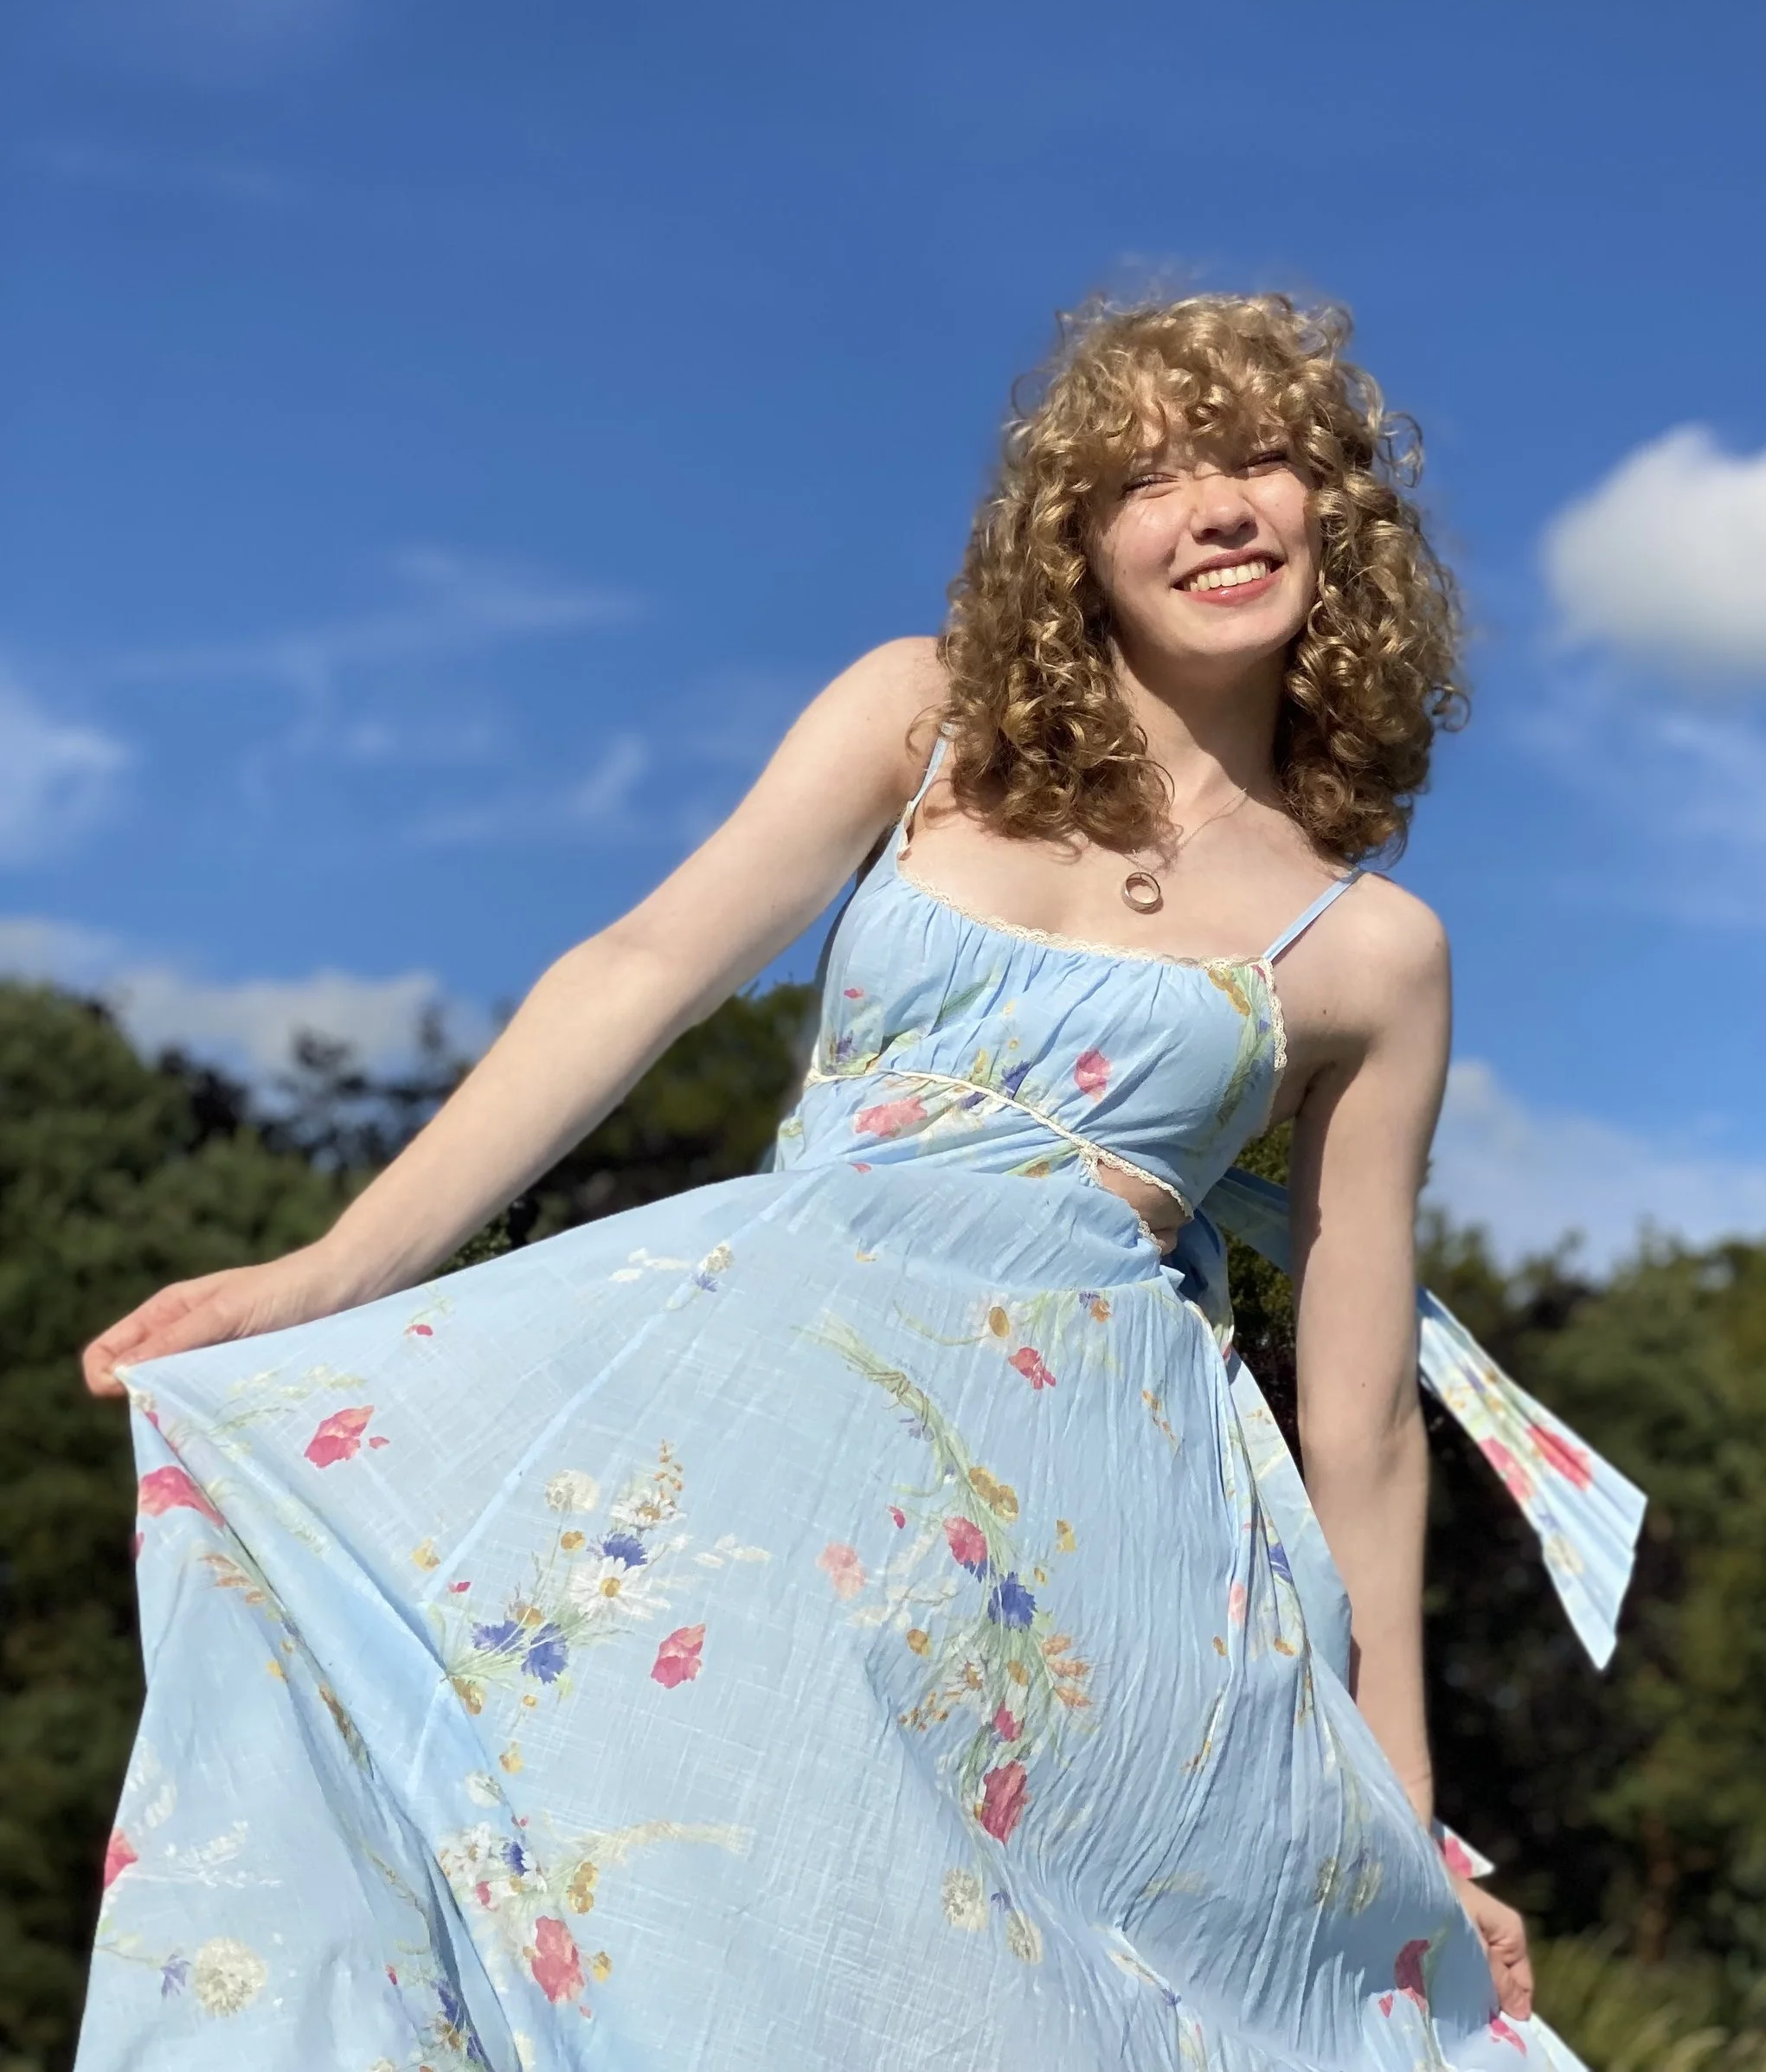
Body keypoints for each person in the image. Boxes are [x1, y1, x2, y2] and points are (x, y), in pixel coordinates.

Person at [79, 292, 1627, 2072]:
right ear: (1076, 542)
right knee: (678, 1922)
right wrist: (330, 1271)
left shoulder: (1371, 951)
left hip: (1091, 1535)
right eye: (1148, 476)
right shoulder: (926, 718)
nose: (1212, 505)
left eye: (1258, 459)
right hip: (776, 1446)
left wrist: (1404, 1815)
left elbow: (1360, 1425)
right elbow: (640, 971)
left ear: (1331, 512)